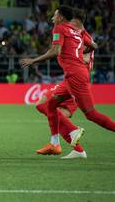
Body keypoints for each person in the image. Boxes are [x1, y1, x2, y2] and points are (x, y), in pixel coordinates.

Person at [20, 5, 115, 152]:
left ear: (61, 17)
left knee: (91, 114)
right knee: (48, 105)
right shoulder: (79, 33)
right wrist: (83, 51)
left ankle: (73, 140)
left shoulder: (60, 29)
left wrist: (33, 61)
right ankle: (56, 144)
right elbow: (94, 45)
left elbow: (55, 50)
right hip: (75, 75)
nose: (52, 17)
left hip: (76, 76)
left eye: (55, 15)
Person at [34, 9, 93, 159]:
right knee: (51, 111)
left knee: (47, 107)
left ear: (76, 21)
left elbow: (85, 59)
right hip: (71, 79)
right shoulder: (76, 34)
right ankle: (75, 149)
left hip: (76, 81)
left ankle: (65, 140)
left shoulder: (81, 35)